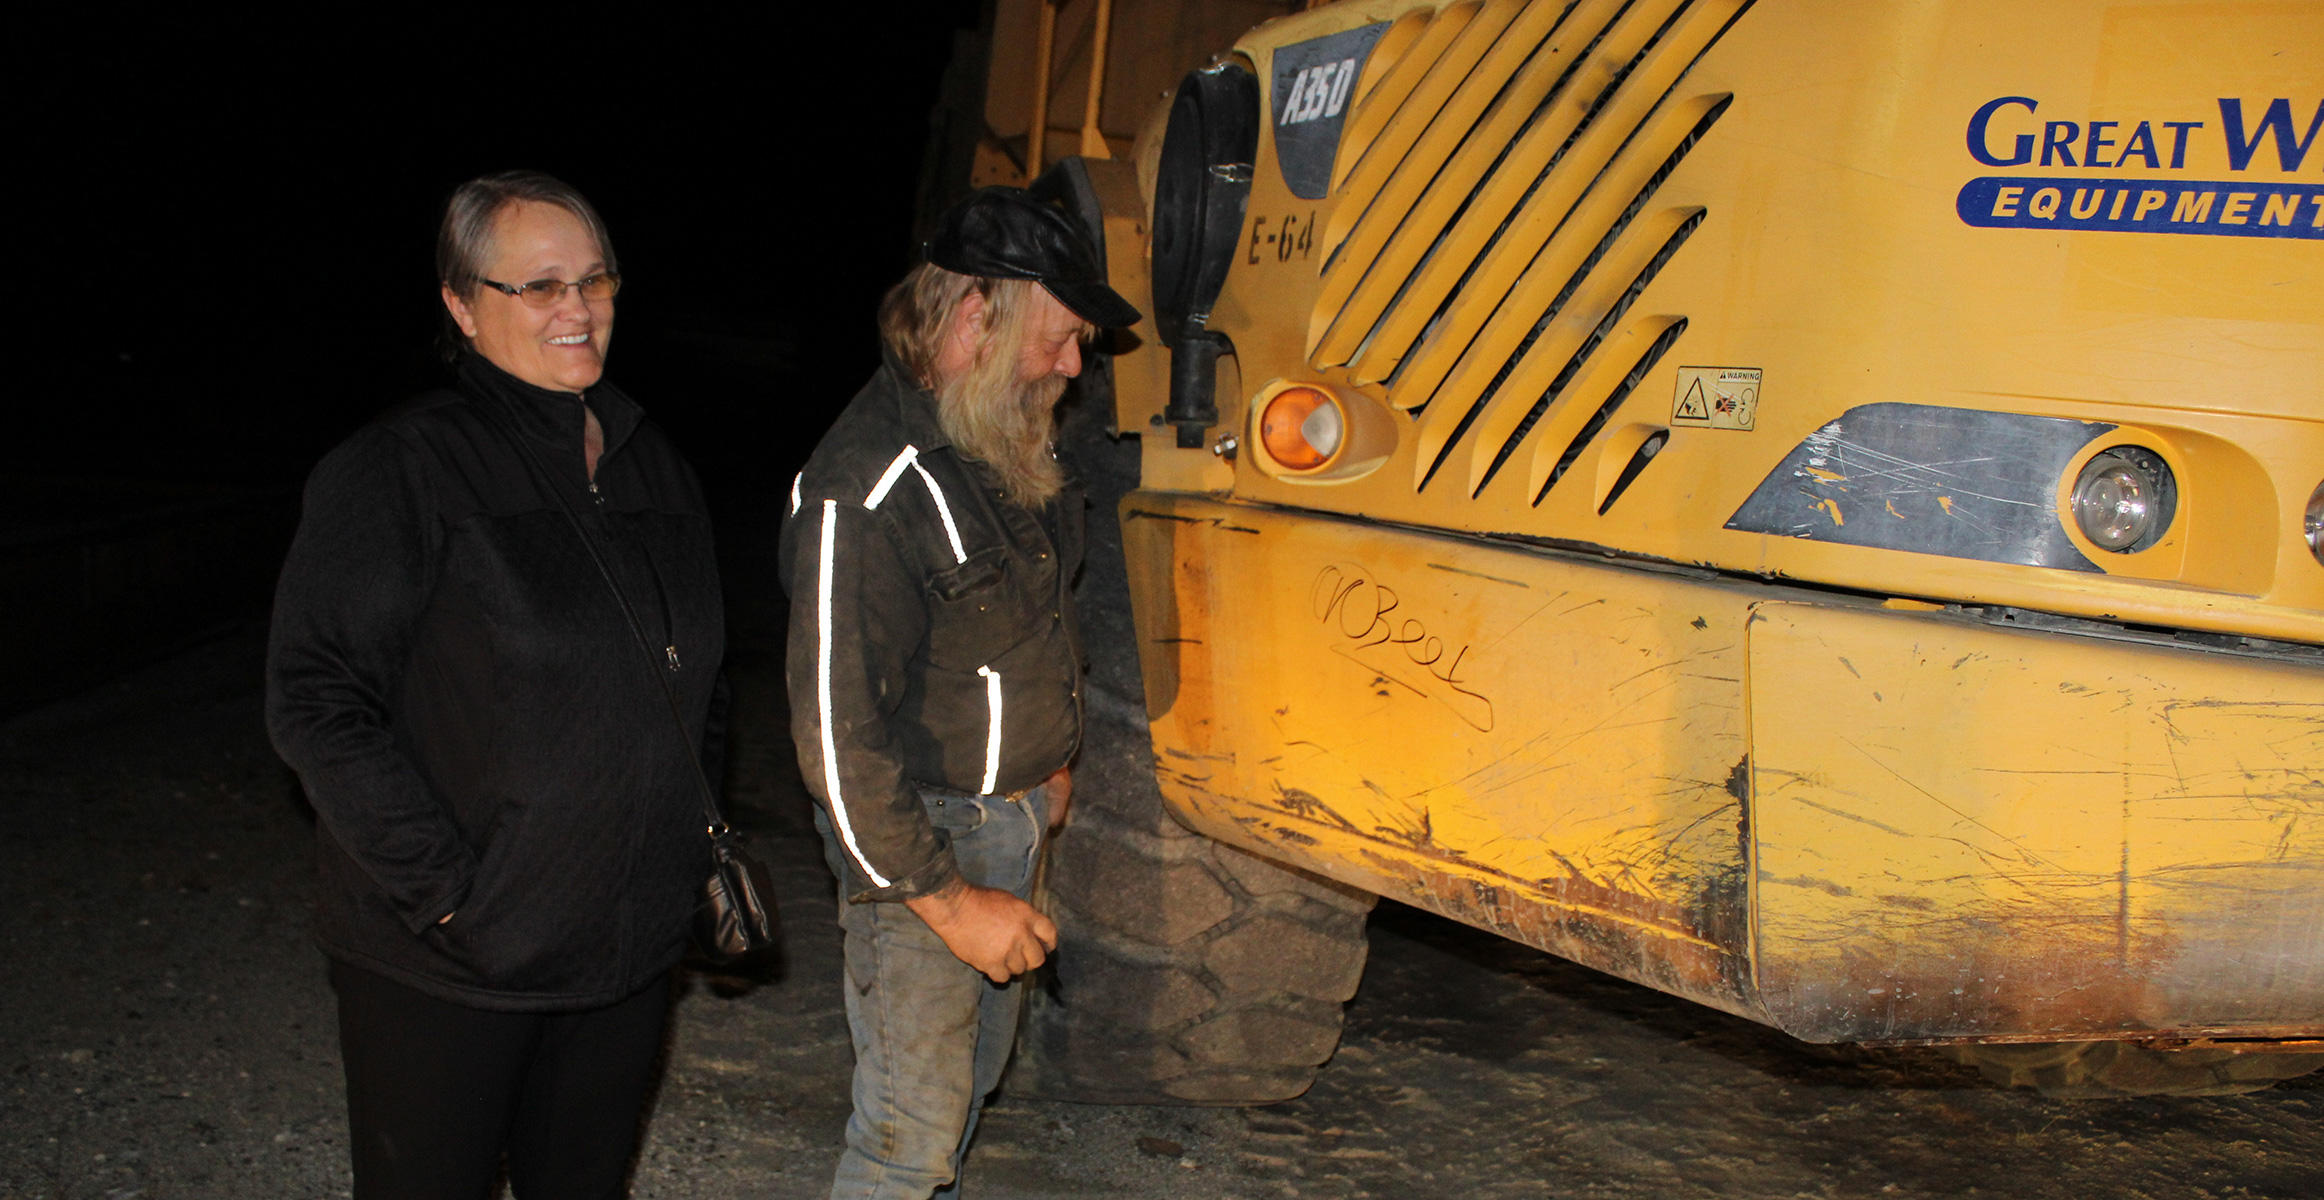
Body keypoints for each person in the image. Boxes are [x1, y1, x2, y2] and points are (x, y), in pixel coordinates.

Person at [265, 170, 724, 1200]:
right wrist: (446, 898)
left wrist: (684, 851)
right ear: (460, 306)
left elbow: (696, 686)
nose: (577, 307)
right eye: (538, 286)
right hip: (454, 966)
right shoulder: (403, 470)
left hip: (625, 957)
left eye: (594, 279)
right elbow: (314, 698)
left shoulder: (656, 467)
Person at [781, 186, 1141, 1199]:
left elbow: (1046, 607)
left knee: (965, 1093)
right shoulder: (865, 487)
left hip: (1010, 821)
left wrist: (1053, 763)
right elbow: (835, 742)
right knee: (907, 1140)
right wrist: (947, 902)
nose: (1073, 367)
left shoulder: (1001, 430)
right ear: (977, 315)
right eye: (1059, 337)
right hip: (923, 842)